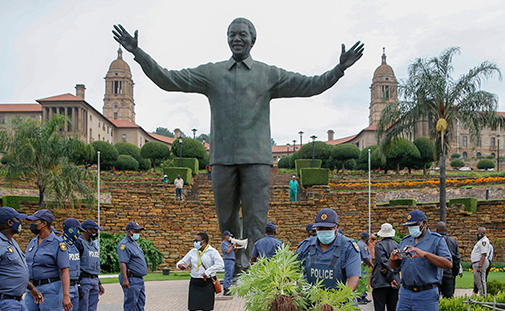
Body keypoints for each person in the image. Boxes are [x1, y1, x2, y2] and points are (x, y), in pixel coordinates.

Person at [113, 19, 363, 269]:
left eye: (242, 35)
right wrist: (138, 53)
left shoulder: (268, 74)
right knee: (227, 221)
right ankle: (234, 267)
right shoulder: (212, 73)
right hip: (222, 158)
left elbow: (311, 85)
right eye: (232, 35)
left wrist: (339, 69)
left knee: (256, 221)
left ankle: (254, 269)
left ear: (253, 40)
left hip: (257, 159)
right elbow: (168, 79)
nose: (237, 39)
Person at [176, 232, 223, 311]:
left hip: (206, 283)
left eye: (197, 241)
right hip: (195, 282)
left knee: (206, 309)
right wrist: (180, 265)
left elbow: (220, 264)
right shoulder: (193, 252)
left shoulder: (212, 252)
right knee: (192, 308)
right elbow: (182, 262)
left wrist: (208, 271)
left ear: (204, 242)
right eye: (195, 240)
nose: (195, 243)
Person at [74, 219, 105, 311]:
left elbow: (94, 264)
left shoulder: (93, 244)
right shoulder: (78, 243)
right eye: (94, 230)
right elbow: (76, 265)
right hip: (84, 280)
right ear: (87, 230)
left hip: (93, 280)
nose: (96, 232)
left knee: (91, 310)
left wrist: (98, 283)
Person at [118, 221, 154, 311]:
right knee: (131, 302)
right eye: (136, 231)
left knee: (140, 301)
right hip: (131, 278)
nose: (138, 233)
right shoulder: (124, 244)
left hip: (139, 278)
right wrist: (125, 279)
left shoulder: (134, 243)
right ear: (130, 232)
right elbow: (123, 263)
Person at [57, 218, 85, 311]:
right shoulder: (60, 245)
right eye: (76, 229)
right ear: (69, 229)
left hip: (75, 285)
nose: (78, 233)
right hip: (65, 288)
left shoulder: (74, 246)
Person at [366, 223, 399, 311]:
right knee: (392, 310)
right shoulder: (396, 245)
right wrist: (393, 278)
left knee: (379, 309)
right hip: (394, 281)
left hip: (381, 282)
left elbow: (383, 262)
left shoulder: (379, 246)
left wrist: (389, 277)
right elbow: (398, 264)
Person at [435, 222, 460, 299]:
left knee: (434, 298)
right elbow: (456, 258)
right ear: (445, 230)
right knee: (448, 298)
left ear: (436, 230)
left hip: (436, 273)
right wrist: (454, 273)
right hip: (448, 273)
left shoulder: (434, 241)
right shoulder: (452, 241)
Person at [470, 226, 489, 297]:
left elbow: (483, 254)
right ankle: (482, 295)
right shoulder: (480, 241)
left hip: (479, 263)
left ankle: (484, 297)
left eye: (479, 232)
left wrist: (480, 265)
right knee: (478, 281)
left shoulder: (484, 241)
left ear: (483, 233)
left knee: (481, 281)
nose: (477, 234)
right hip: (476, 262)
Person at [356, 231, 374, 304]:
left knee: (363, 281)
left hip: (362, 265)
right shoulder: (362, 245)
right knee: (363, 281)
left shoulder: (360, 243)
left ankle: (363, 296)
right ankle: (361, 297)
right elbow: (365, 257)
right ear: (366, 238)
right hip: (363, 265)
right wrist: (371, 265)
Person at [220, 230, 238, 296]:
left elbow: (233, 252)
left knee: (230, 275)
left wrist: (236, 247)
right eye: (228, 235)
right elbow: (227, 251)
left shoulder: (229, 244)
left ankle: (228, 288)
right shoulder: (224, 244)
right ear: (225, 236)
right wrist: (232, 246)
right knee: (228, 275)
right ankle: (226, 289)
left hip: (232, 259)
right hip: (228, 260)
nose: (229, 237)